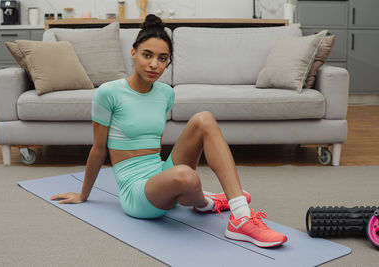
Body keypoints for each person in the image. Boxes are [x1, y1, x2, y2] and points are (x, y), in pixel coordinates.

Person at [51, 14, 287, 248]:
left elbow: (155, 144)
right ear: (133, 53)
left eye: (162, 58)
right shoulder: (108, 93)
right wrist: (83, 195)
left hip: (161, 174)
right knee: (186, 176)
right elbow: (98, 150)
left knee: (203, 119)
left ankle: (240, 215)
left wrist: (169, 179)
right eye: (147, 55)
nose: (154, 64)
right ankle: (205, 201)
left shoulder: (166, 94)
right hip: (137, 193)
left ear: (168, 62)